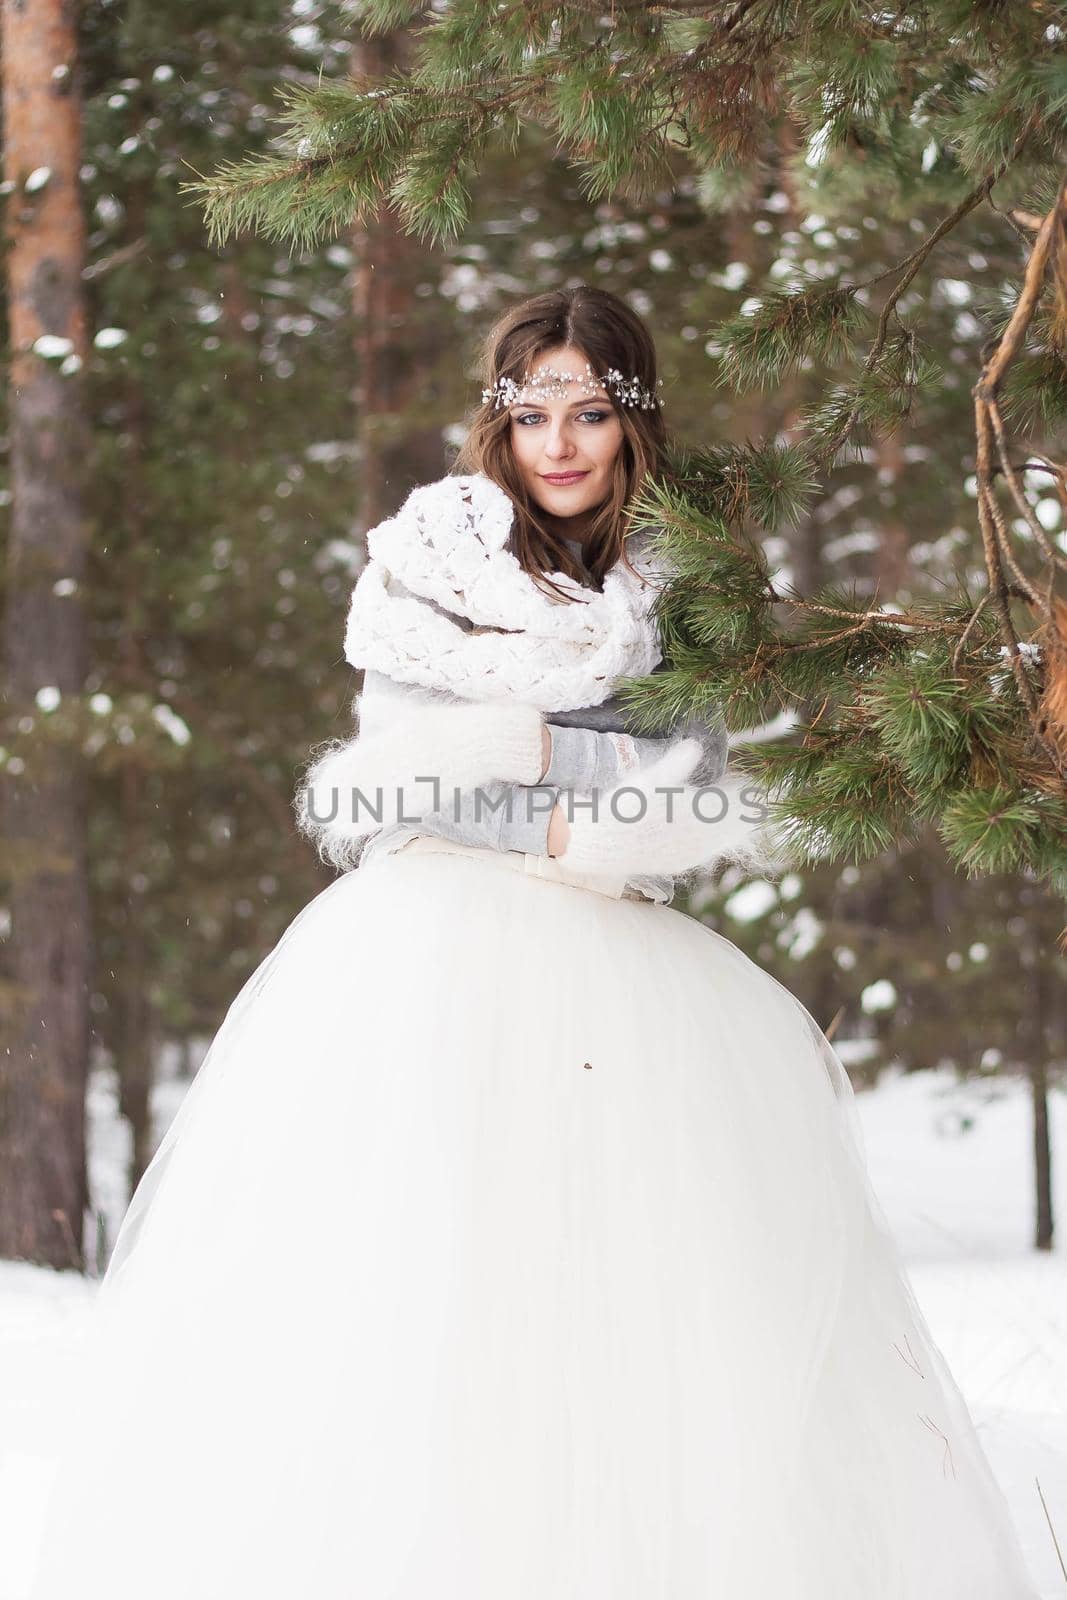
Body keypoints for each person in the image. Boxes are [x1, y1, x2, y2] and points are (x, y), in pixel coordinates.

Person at [23, 287, 1040, 1599]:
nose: (561, 443)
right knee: (413, 1285)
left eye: (592, 412)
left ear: (633, 423)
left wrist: (545, 764)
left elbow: (688, 786)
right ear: (496, 424)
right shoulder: (429, 570)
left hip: (623, 981)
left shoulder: (683, 585)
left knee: (632, 1315)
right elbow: (382, 783)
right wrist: (551, 776)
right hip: (421, 960)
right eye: (533, 412)